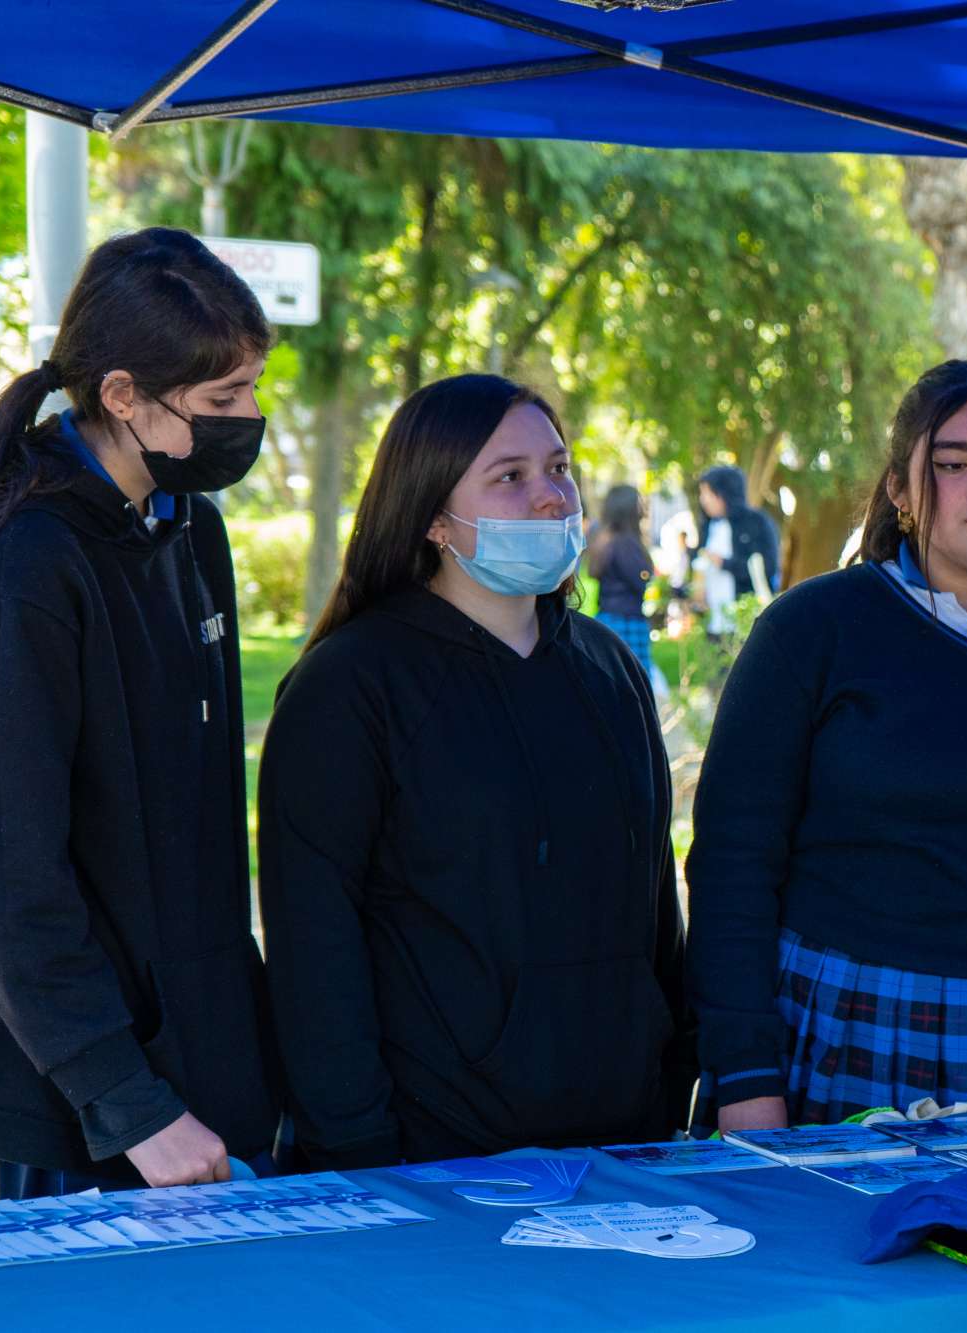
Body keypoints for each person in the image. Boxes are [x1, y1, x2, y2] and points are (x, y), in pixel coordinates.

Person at [0, 228, 280, 1197]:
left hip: (195, 1062)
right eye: (222, 400)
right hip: (78, 1098)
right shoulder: (24, 568)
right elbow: (6, 882)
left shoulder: (189, 530)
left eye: (254, 388)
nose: (250, 419)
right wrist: (130, 1103)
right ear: (122, 396)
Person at [257, 374, 691, 1169]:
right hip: (430, 1161)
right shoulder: (350, 686)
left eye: (559, 469)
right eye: (510, 477)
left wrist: (669, 1090)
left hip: (625, 1148)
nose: (550, 498)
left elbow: (655, 911)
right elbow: (313, 940)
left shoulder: (608, 669)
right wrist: (355, 1143)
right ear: (432, 517)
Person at [687, 360, 967, 1130]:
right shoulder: (811, 631)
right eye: (952, 464)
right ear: (900, 490)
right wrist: (744, 1075)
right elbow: (733, 865)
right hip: (843, 1035)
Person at [694, 464, 779, 633]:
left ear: (724, 493)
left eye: (708, 493)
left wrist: (724, 563)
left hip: (746, 621)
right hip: (714, 623)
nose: (703, 499)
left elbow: (767, 568)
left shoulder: (757, 523)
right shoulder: (709, 527)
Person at [587, 483, 657, 680]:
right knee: (636, 681)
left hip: (608, 618)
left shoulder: (605, 539)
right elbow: (641, 578)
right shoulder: (626, 543)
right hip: (627, 621)